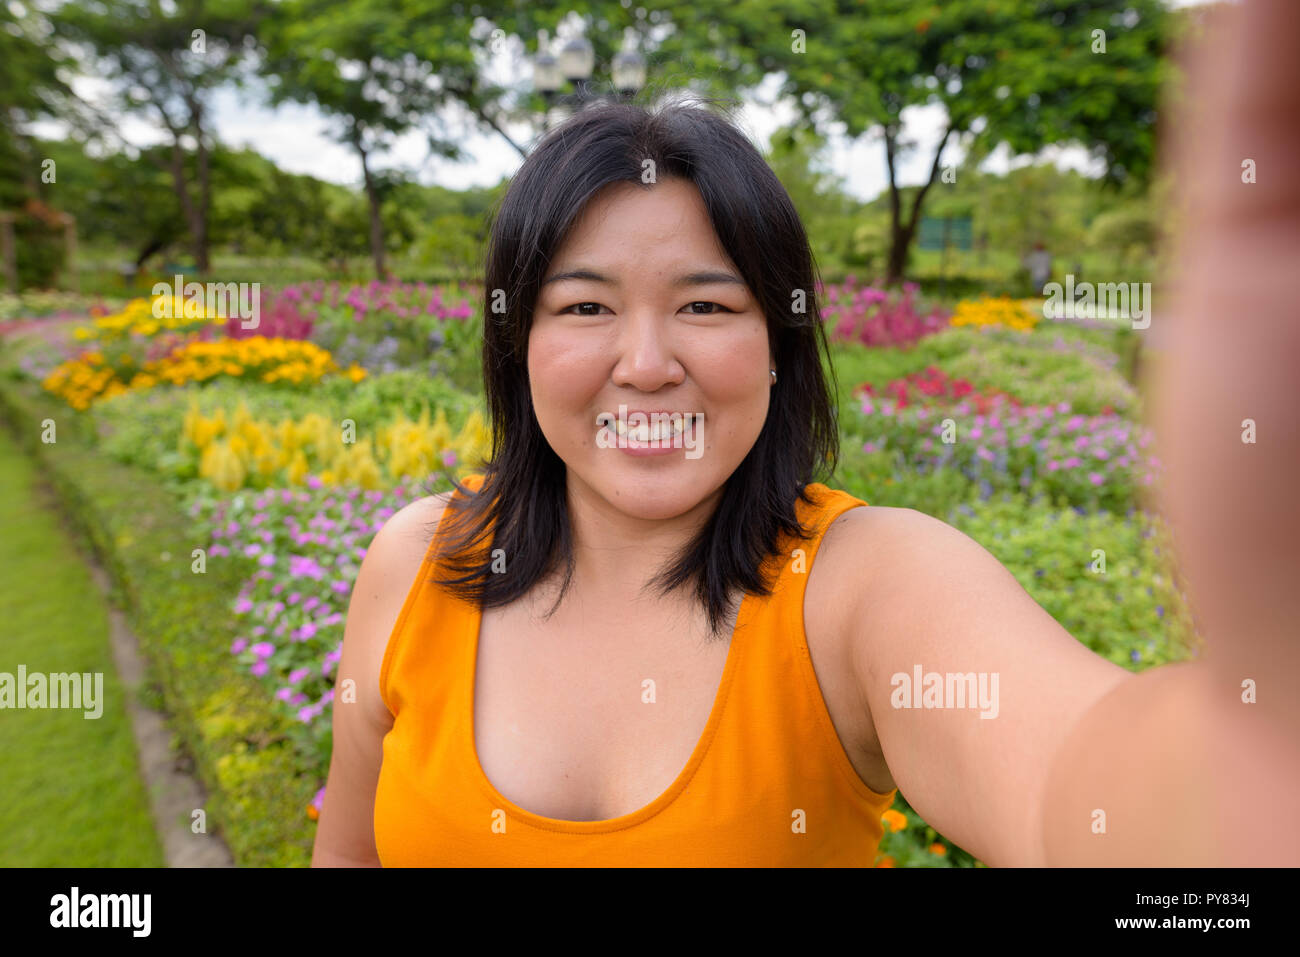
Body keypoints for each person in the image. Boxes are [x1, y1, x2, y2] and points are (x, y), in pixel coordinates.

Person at [313, 0, 1299, 865]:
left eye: (706, 307)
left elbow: (1066, 789)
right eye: (583, 308)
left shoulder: (861, 588)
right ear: (516, 342)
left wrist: (1267, 732)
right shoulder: (415, 565)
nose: (648, 361)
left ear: (780, 343)